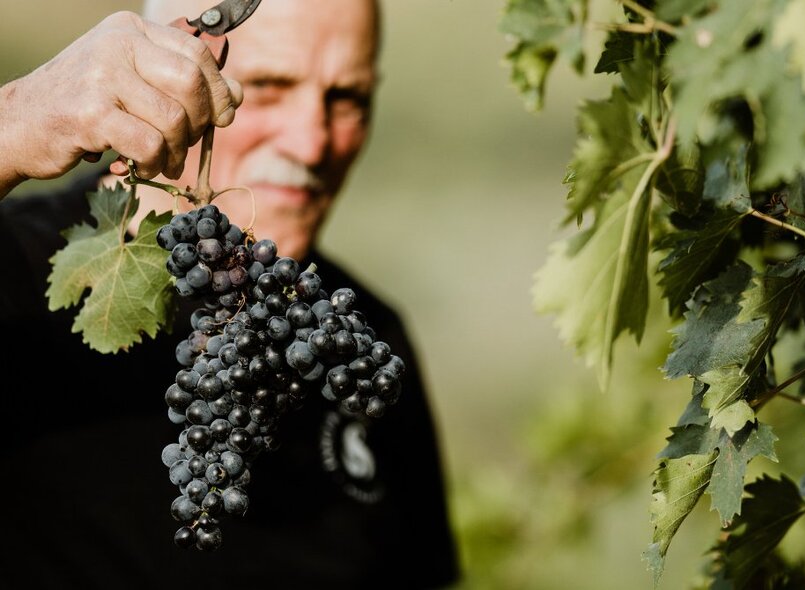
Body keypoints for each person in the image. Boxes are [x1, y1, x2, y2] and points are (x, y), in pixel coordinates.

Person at [0, 1, 460, 588]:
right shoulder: (20, 270)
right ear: (167, 71)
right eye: (267, 86)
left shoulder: (361, 345)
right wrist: (11, 125)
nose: (311, 143)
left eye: (348, 98)